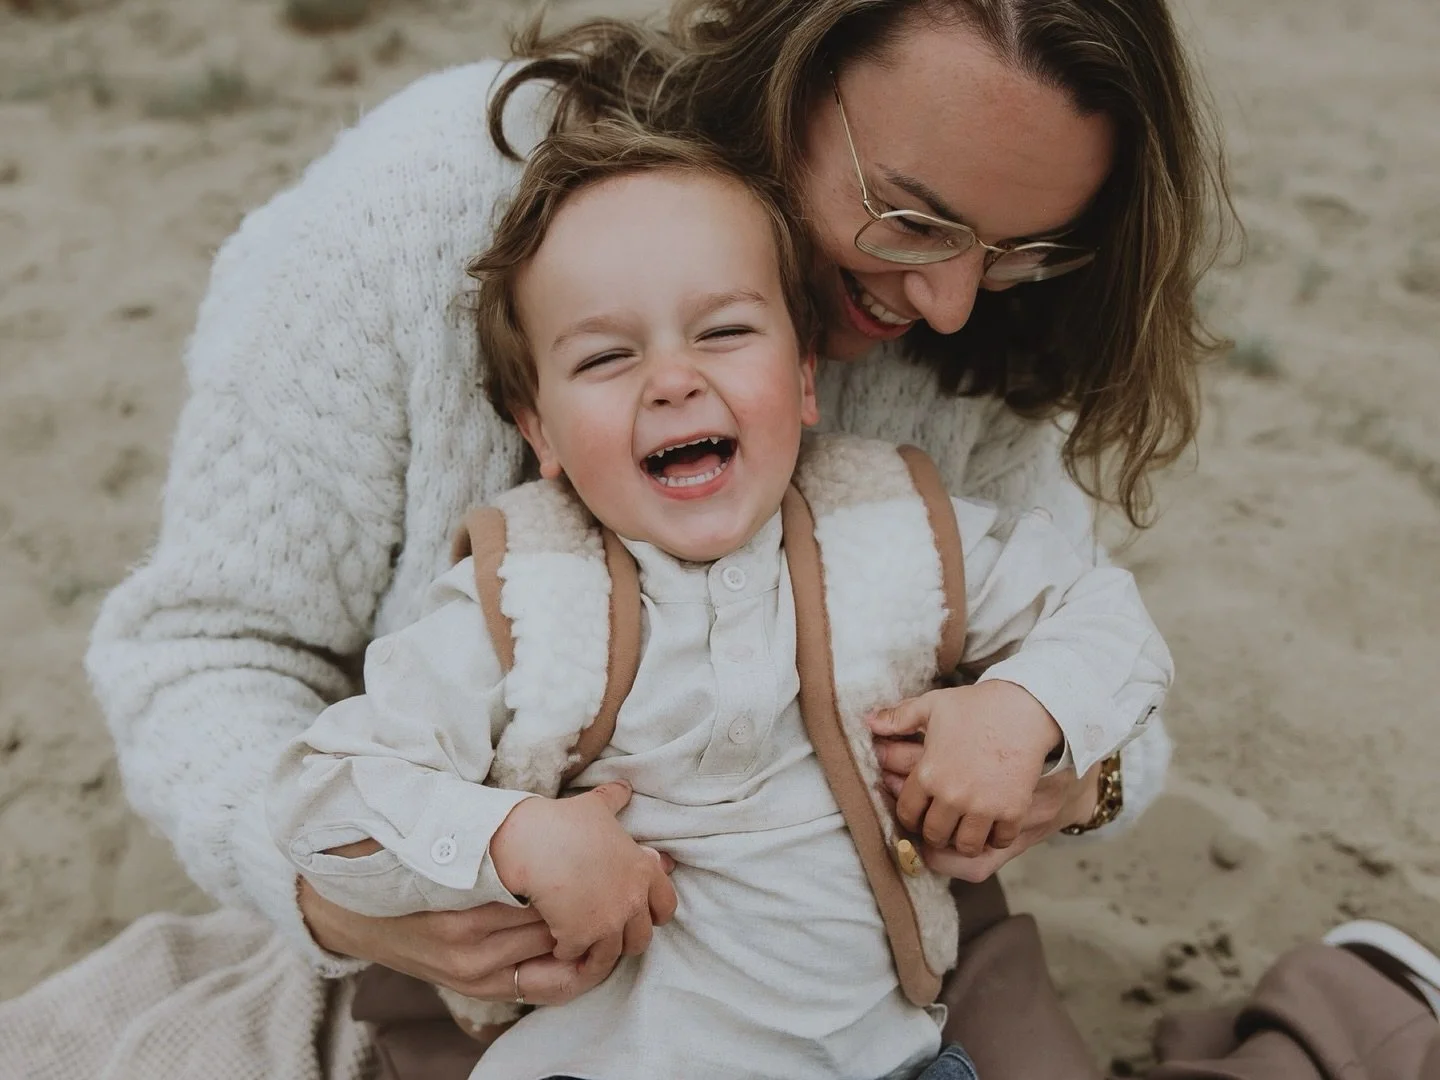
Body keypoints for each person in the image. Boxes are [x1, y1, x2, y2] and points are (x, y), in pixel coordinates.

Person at [55, 0, 1233, 1075]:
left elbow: (1114, 679)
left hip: (878, 952)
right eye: (912, 219)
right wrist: (355, 909)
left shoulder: (951, 393)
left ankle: (1367, 999)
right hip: (528, 963)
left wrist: (1058, 769)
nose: (952, 304)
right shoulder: (424, 215)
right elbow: (204, 655)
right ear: (791, 76)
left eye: (1025, 248)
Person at [265, 122, 1174, 1080]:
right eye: (607, 358)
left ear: (805, 378)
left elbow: (1105, 617)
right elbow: (322, 793)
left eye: (726, 332)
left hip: (890, 1061)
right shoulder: (524, 597)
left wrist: (1027, 713)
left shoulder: (895, 534)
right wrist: (513, 839)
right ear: (541, 431)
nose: (673, 380)